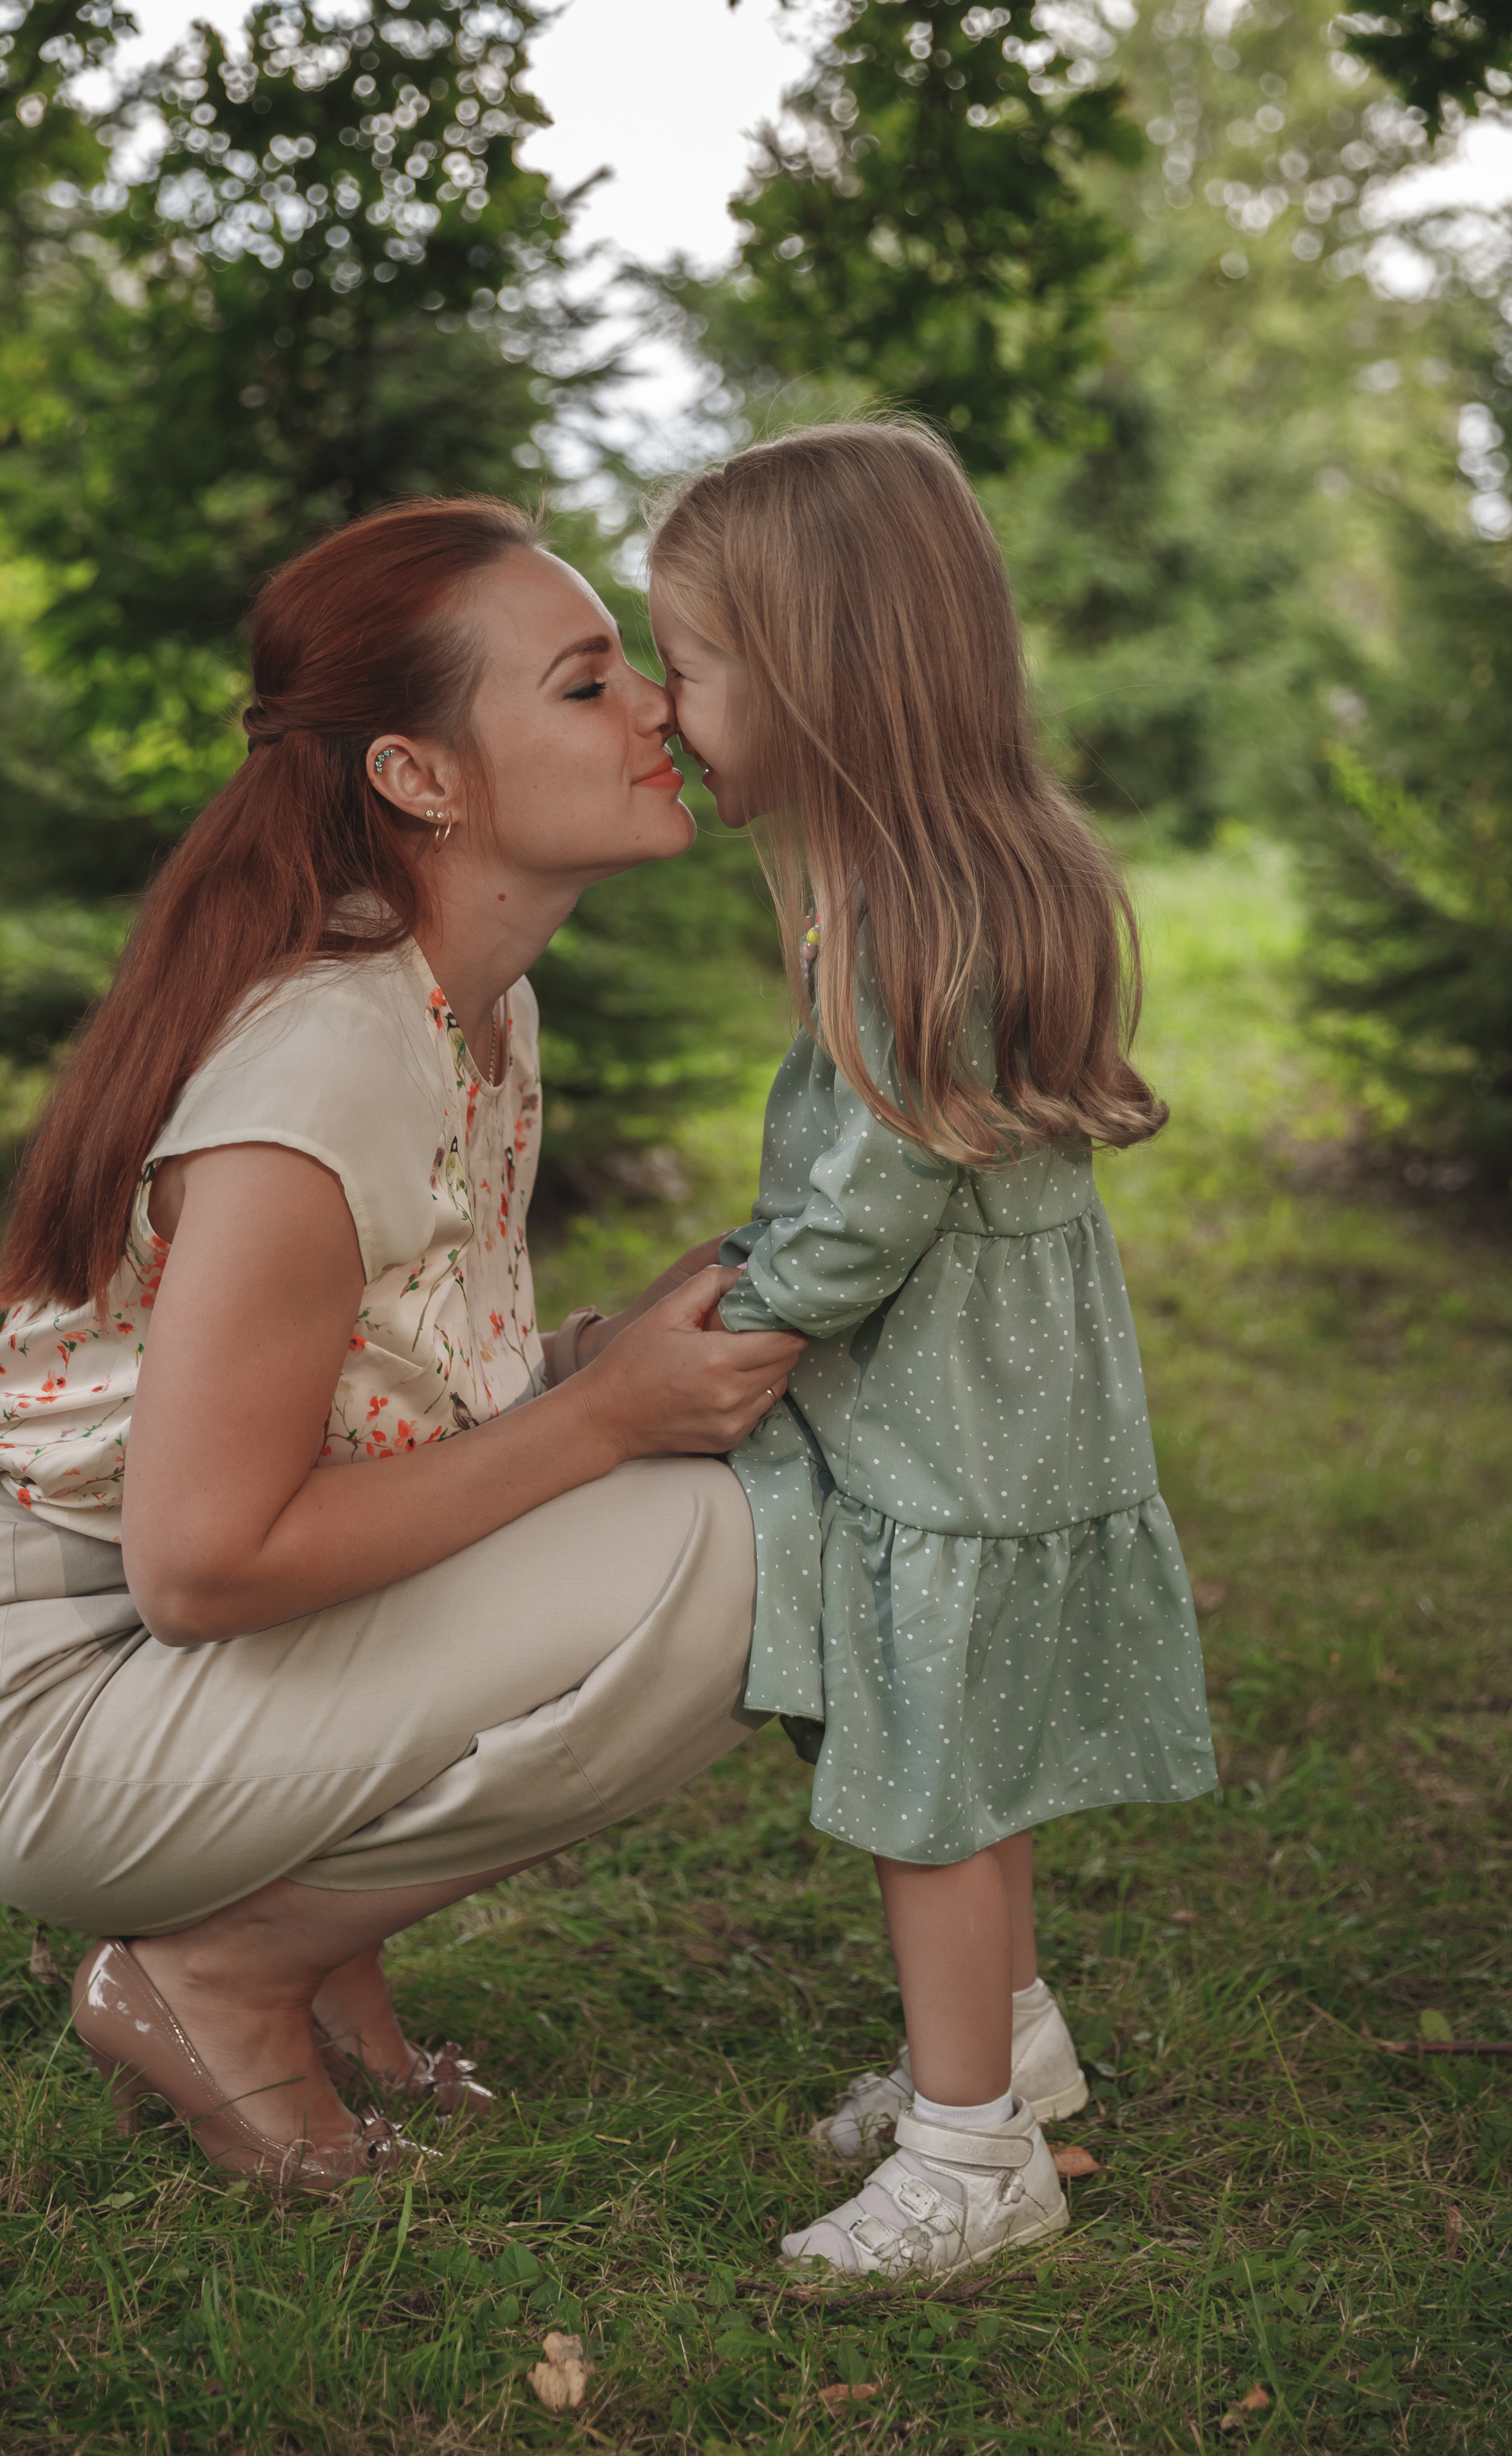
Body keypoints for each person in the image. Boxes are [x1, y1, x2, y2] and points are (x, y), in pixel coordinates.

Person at [0, 496, 805, 2192]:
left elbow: (387, 1399)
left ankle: (312, 1954)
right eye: (588, 683)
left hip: (161, 1668)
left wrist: (618, 1351)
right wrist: (604, 1419)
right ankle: (222, 1972)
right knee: (727, 1551)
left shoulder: (475, 1002)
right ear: (419, 776)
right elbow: (199, 1565)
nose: (660, 710)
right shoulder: (326, 1063)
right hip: (59, 1699)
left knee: (740, 1473)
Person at [647, 421, 1218, 2279]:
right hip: (1011, 1411)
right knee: (963, 1765)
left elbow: (872, 1208)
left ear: (814, 679)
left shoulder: (899, 915)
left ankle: (975, 2156)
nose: (671, 709)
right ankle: (1009, 2038)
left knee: (933, 1789)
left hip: (955, 1435)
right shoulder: (972, 866)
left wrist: (744, 1307)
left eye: (692, 667)